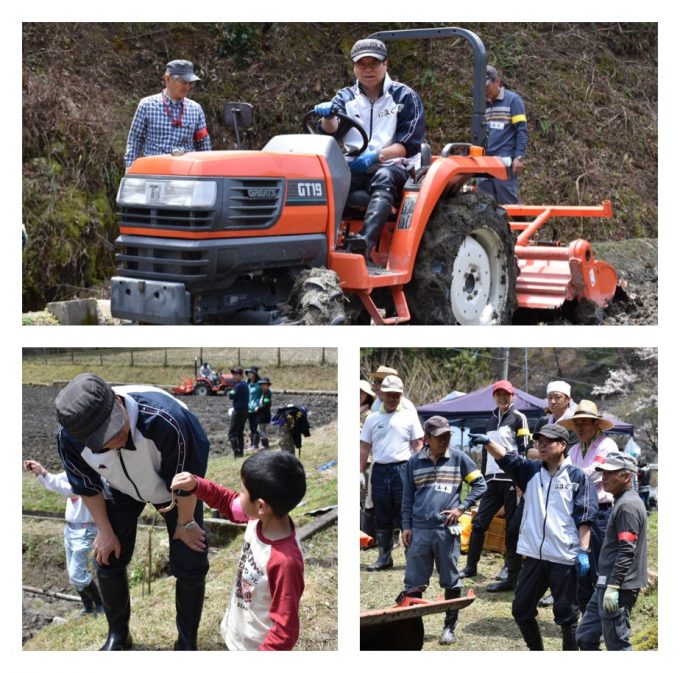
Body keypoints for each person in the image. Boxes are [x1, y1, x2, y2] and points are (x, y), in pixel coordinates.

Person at [54, 373, 210, 650]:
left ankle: (187, 644)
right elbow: (87, 486)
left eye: (115, 426)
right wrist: (104, 531)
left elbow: (188, 483)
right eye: (102, 439)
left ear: (117, 400)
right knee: (107, 555)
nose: (115, 439)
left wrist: (185, 524)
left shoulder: (166, 420)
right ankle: (119, 637)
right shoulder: (71, 437)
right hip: (121, 487)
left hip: (173, 488)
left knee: (191, 560)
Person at [469, 424, 598, 650]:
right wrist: (487, 442)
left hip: (564, 558)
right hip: (535, 557)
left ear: (563, 445)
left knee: (566, 617)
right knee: (521, 610)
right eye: (539, 441)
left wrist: (583, 551)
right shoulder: (530, 471)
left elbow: (584, 517)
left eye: (548, 441)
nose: (542, 445)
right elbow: (507, 458)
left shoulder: (578, 477)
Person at [170, 450, 306, 650]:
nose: (238, 495)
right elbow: (226, 501)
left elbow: (285, 631)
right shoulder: (259, 518)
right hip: (238, 633)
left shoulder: (285, 562)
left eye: (242, 491)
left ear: (261, 506)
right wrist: (197, 485)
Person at [315, 38, 426, 261]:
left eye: (373, 63)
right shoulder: (345, 97)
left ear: (385, 64)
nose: (368, 69)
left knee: (383, 177)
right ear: (354, 67)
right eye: (362, 64)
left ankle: (363, 244)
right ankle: (320, 241)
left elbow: (408, 145)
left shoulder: (404, 97)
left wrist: (376, 156)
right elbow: (332, 131)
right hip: (354, 163)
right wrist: (328, 117)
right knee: (325, 179)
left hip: (393, 165)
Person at [401, 416, 487, 645]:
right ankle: (412, 631)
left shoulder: (459, 459)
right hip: (419, 531)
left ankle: (449, 627)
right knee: (414, 583)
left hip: (446, 532)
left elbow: (481, 484)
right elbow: (407, 497)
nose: (445, 440)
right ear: (427, 438)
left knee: (451, 580)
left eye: (448, 435)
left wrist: (461, 508)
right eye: (440, 437)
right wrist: (406, 525)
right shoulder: (413, 462)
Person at [460, 380, 530, 593]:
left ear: (513, 396)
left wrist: (521, 479)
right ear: (494, 396)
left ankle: (509, 570)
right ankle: (471, 567)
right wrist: (481, 477)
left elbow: (524, 450)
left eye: (506, 394)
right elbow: (485, 449)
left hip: (511, 478)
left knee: (511, 528)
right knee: (479, 522)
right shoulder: (490, 420)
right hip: (491, 479)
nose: (502, 397)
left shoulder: (519, 418)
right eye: (498, 394)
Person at [576, 452, 648, 650]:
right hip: (605, 582)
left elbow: (627, 549)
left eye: (610, 473)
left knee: (617, 644)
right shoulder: (621, 501)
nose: (604, 477)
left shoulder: (627, 506)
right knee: (585, 636)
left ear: (627, 476)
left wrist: (614, 586)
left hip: (619, 586)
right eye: (603, 472)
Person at [558, 400, 619, 613]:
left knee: (601, 566)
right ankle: (587, 615)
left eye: (585, 423)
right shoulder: (574, 450)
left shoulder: (607, 445)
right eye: (577, 423)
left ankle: (604, 615)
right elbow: (564, 475)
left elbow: (596, 471)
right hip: (577, 513)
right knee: (580, 568)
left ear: (596, 424)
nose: (581, 427)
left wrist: (572, 479)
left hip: (601, 513)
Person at [23, 459, 104, 616]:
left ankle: (100, 603)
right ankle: (88, 607)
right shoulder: (73, 472)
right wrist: (40, 473)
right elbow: (54, 482)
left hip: (85, 531)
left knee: (76, 573)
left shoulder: (91, 476)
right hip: (71, 530)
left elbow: (70, 490)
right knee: (72, 572)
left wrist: (44, 472)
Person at [360, 375, 424, 571]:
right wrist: (360, 472)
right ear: (382, 394)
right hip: (379, 469)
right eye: (389, 394)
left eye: (397, 395)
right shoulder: (372, 418)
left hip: (403, 468)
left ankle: (410, 556)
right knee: (382, 513)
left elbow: (418, 444)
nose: (393, 398)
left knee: (405, 512)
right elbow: (364, 447)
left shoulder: (409, 415)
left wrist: (420, 470)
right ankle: (384, 557)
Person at [124, 59, 211, 171]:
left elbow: (204, 144)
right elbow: (135, 139)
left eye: (190, 83)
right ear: (168, 79)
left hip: (185, 171)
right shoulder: (147, 105)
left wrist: (207, 171)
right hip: (153, 169)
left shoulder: (195, 109)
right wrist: (130, 169)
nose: (187, 86)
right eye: (183, 82)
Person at [476, 65, 528, 205]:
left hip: (504, 162)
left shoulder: (513, 101)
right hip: (484, 163)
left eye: (487, 86)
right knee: (484, 203)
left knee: (509, 203)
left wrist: (519, 157)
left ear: (497, 81)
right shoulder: (481, 104)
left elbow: (521, 131)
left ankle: (522, 227)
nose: (485, 91)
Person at [228, 366, 249, 458]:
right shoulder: (244, 384)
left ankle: (237, 453)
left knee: (232, 433)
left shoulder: (239, 385)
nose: (234, 376)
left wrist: (231, 391)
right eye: (233, 374)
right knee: (239, 432)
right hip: (244, 411)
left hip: (239, 411)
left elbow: (231, 396)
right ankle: (240, 452)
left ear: (241, 375)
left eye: (236, 374)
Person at [246, 367, 262, 450]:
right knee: (251, 426)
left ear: (255, 374)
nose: (249, 374)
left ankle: (255, 445)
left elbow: (264, 395)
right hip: (248, 408)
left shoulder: (259, 384)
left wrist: (259, 405)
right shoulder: (247, 384)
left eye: (250, 373)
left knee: (256, 426)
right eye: (248, 373)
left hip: (256, 408)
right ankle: (252, 444)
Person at [255, 377, 273, 449]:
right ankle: (265, 444)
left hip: (264, 415)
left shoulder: (267, 393)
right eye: (261, 384)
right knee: (263, 429)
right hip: (264, 414)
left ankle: (265, 445)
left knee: (260, 429)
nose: (262, 386)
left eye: (264, 384)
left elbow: (266, 405)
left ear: (267, 385)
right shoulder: (264, 392)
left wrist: (258, 408)